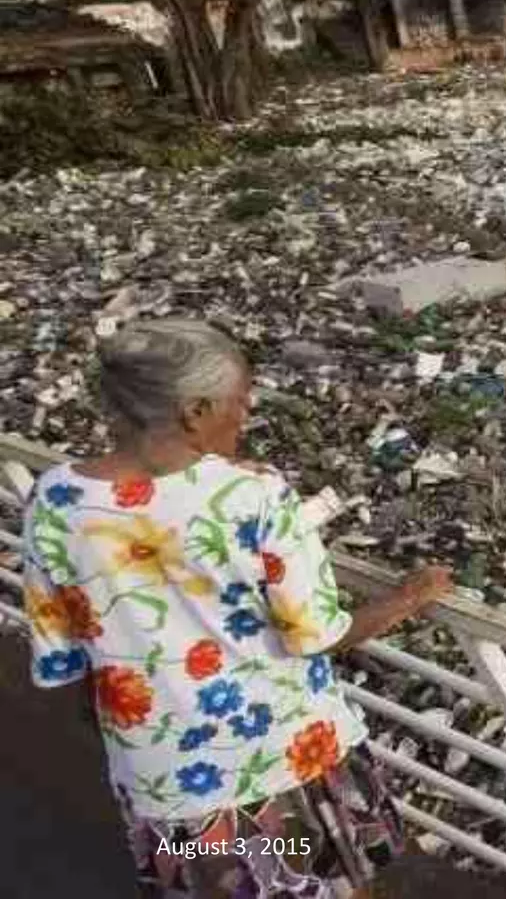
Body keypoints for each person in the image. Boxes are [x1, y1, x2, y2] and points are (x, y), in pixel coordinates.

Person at [21, 318, 454, 897]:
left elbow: (61, 658)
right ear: (194, 412)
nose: (245, 417)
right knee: (316, 873)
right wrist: (409, 596)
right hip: (283, 762)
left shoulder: (53, 499)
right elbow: (317, 634)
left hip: (164, 777)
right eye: (239, 403)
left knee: (214, 883)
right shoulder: (254, 495)